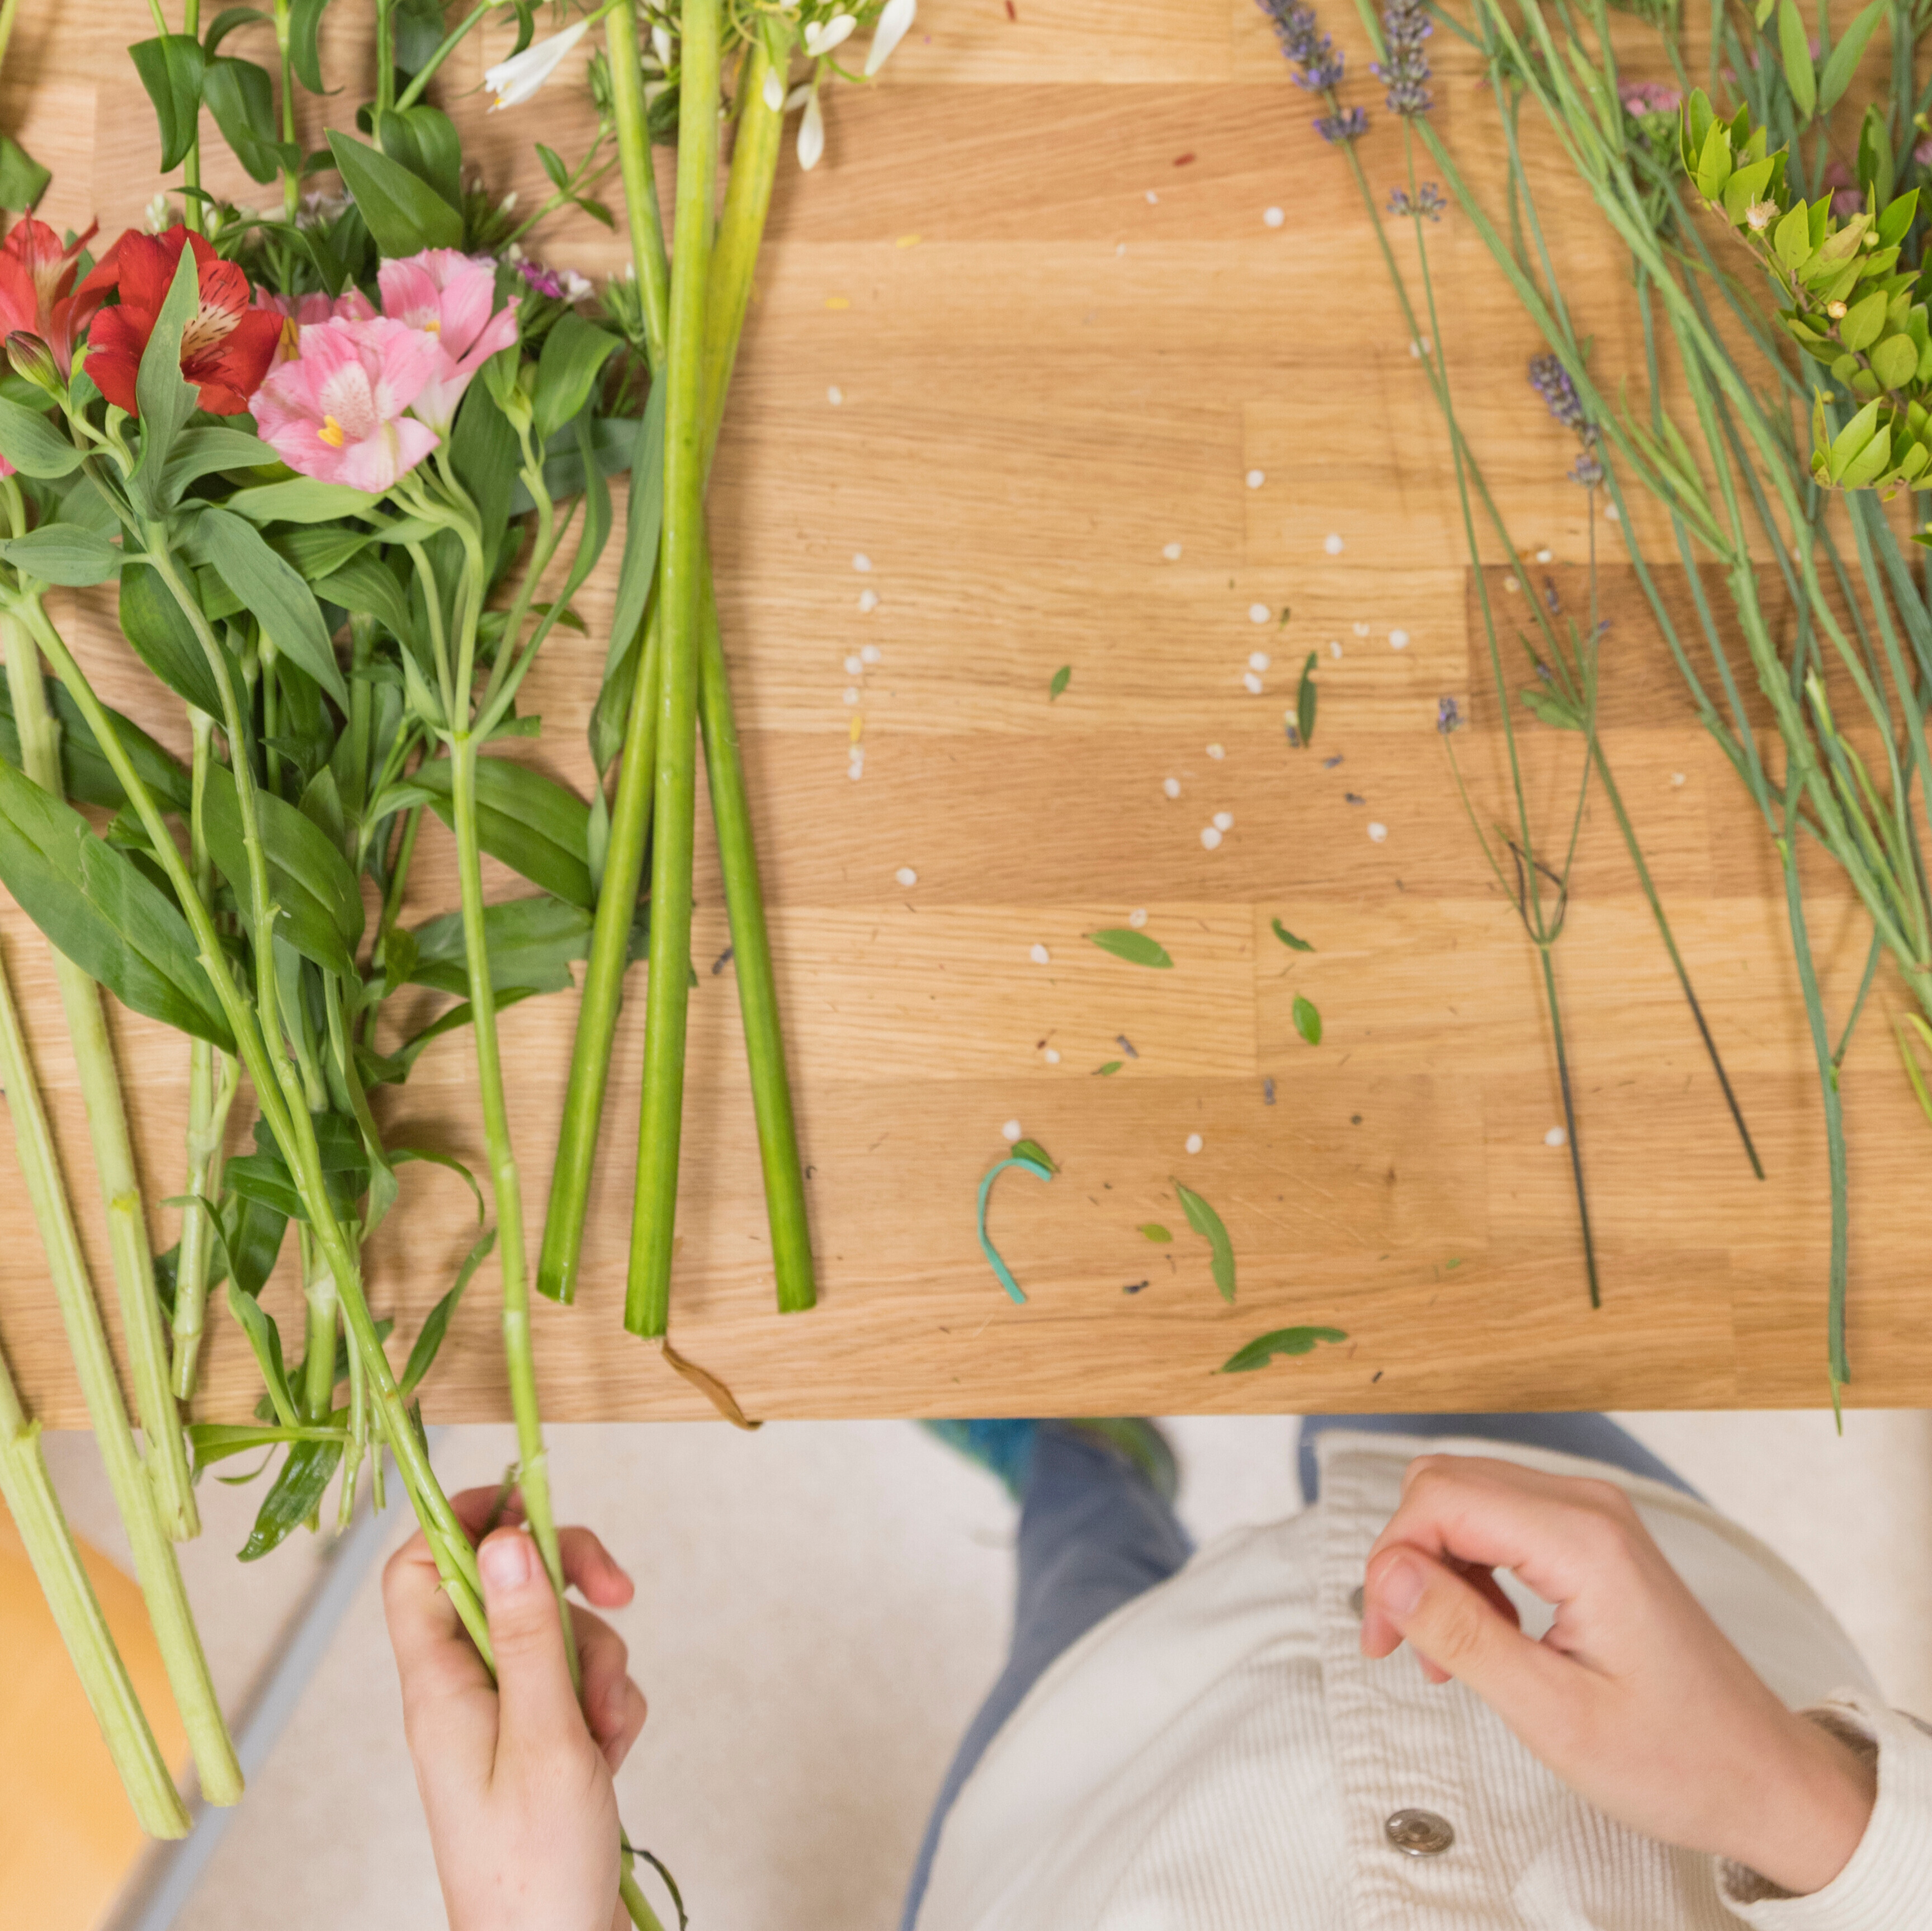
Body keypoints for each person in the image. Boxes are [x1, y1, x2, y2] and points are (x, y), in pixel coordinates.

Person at [381, 1411, 1932, 1930]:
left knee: (1078, 1586)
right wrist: (1802, 1802)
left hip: (1079, 1809)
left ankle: (1088, 1458)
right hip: (1684, 1691)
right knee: (1448, 1314)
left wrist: (538, 1920)